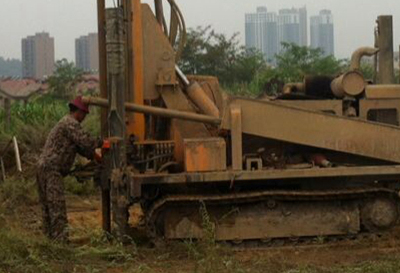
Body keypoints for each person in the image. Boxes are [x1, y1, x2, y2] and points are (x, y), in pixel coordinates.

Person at [37, 96, 102, 242]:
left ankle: (49, 242)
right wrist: (103, 143)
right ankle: (60, 244)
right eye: (84, 114)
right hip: (51, 170)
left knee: (48, 208)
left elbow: (81, 148)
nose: (84, 117)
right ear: (78, 111)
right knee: (56, 207)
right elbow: (86, 142)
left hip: (44, 168)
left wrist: (95, 157)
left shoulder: (66, 124)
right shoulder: (70, 123)